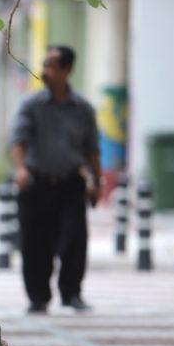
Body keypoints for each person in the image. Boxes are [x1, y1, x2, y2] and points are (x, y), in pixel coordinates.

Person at [9, 45, 101, 314]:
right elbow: (18, 142)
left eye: (51, 65)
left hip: (70, 183)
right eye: (44, 64)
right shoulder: (31, 105)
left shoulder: (83, 109)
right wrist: (21, 169)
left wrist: (97, 181)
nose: (44, 71)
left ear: (67, 70)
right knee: (35, 243)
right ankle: (38, 297)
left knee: (74, 241)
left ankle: (72, 293)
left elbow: (92, 150)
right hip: (36, 183)